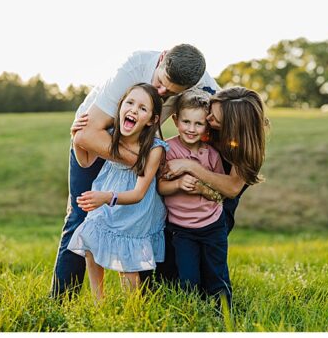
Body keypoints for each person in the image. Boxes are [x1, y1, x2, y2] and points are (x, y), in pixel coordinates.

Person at [52, 44, 220, 299]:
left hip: (141, 145)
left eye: (172, 93)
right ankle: (62, 298)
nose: (162, 93)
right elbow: (88, 136)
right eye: (161, 82)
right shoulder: (132, 67)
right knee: (80, 215)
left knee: (143, 220)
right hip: (99, 137)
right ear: (161, 59)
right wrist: (146, 163)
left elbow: (227, 112)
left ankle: (152, 292)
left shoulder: (202, 82)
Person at [66, 83, 168, 300]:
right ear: (120, 107)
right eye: (129, 103)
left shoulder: (155, 149)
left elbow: (139, 193)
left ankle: (132, 307)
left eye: (142, 108)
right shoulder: (110, 135)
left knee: (128, 265)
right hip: (105, 200)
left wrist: (105, 197)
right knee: (91, 239)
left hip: (134, 209)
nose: (133, 110)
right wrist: (76, 138)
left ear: (152, 120)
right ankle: (98, 301)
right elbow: (85, 162)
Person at [157, 88, 232, 304]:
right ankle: (192, 312)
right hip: (182, 230)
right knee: (188, 278)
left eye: (198, 124)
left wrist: (201, 188)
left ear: (207, 125)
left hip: (212, 226)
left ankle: (224, 314)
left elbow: (220, 195)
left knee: (217, 275)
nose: (191, 129)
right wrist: (179, 184)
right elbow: (161, 187)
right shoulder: (167, 150)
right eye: (186, 122)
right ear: (175, 120)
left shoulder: (212, 154)